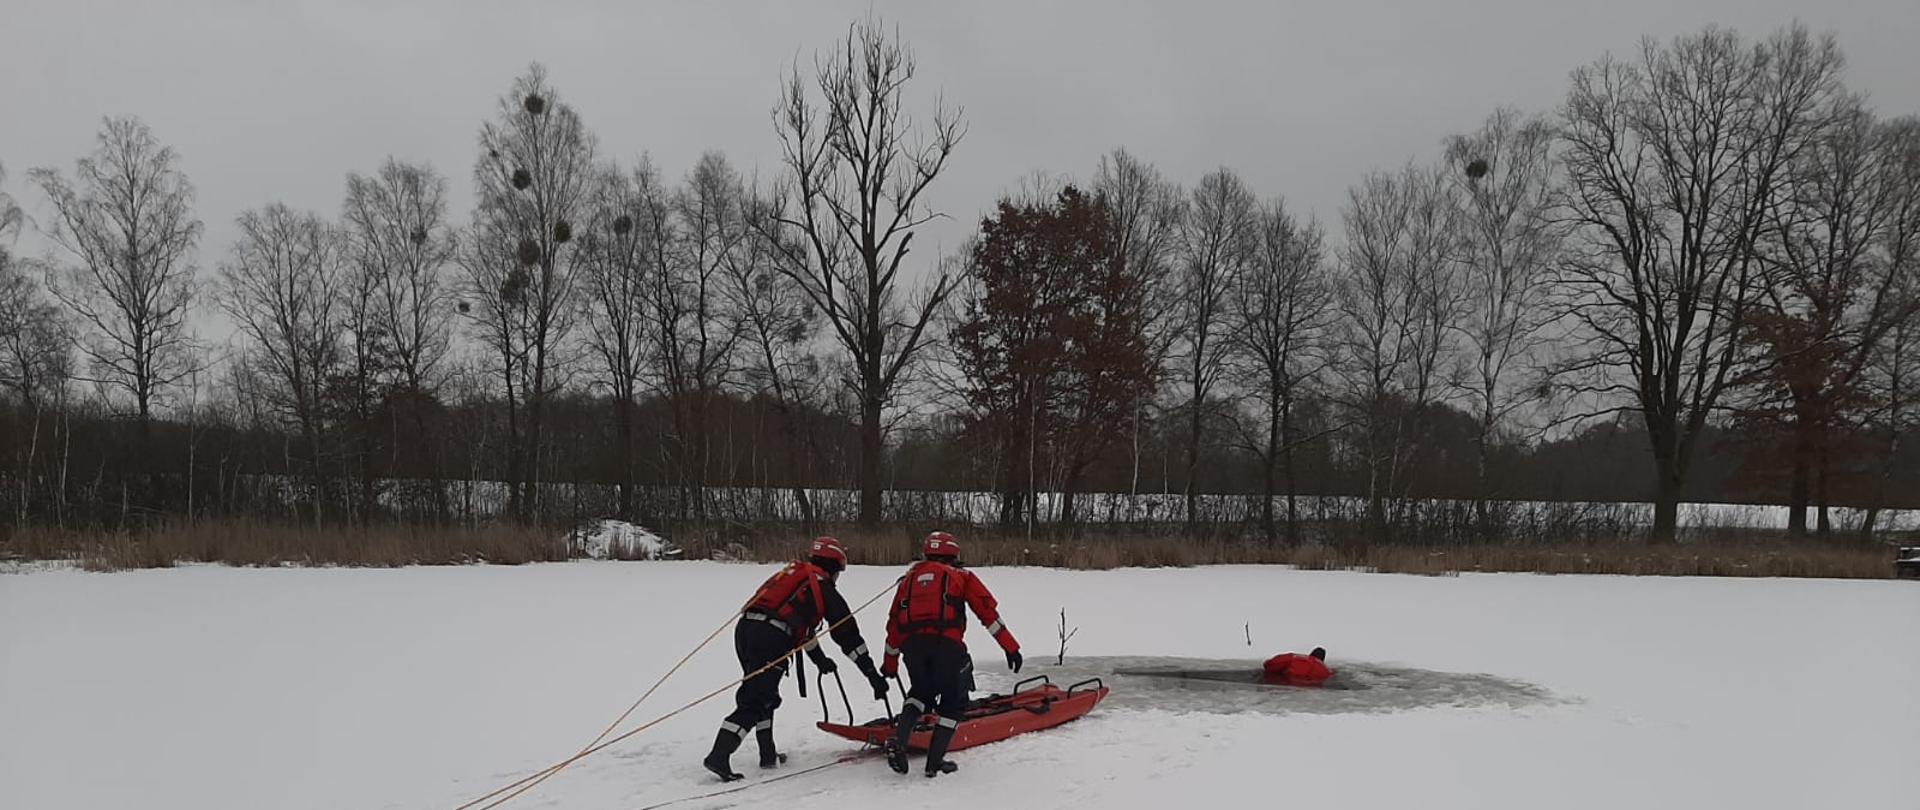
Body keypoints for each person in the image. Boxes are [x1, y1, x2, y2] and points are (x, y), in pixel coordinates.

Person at [702, 537, 889, 782]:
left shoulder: (795, 577)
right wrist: (872, 675)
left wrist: (820, 660)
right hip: (771, 637)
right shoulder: (822, 587)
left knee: (763, 692)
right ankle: (719, 755)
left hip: (746, 630)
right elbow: (848, 636)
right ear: (834, 567)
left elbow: (800, 627)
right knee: (756, 699)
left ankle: (767, 754)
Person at [880, 531, 1022, 778]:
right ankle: (934, 762)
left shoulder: (908, 581)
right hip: (946, 646)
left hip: (912, 649)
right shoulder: (961, 576)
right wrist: (1011, 647)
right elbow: (987, 613)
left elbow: (894, 625)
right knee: (953, 703)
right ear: (954, 554)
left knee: (919, 692)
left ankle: (899, 742)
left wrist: (889, 664)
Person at [1262, 647, 1334, 687]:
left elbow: (1270, 664)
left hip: (1282, 681)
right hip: (1306, 686)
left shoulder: (1294, 657)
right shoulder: (1324, 669)